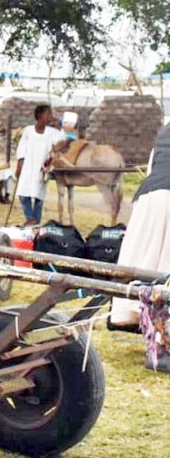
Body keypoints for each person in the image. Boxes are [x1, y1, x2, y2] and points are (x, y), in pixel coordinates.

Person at [111, 123, 170, 371]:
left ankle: (154, 337)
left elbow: (151, 167)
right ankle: (161, 348)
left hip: (150, 197)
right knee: (165, 269)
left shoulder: (165, 129)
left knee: (148, 265)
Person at [15, 104, 64, 225]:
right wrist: (19, 164)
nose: (50, 117)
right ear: (39, 116)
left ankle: (35, 221)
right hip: (27, 166)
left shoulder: (52, 132)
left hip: (41, 168)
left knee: (38, 196)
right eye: (48, 114)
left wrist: (60, 127)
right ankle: (30, 218)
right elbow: (22, 148)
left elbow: (62, 141)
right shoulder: (28, 130)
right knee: (23, 193)